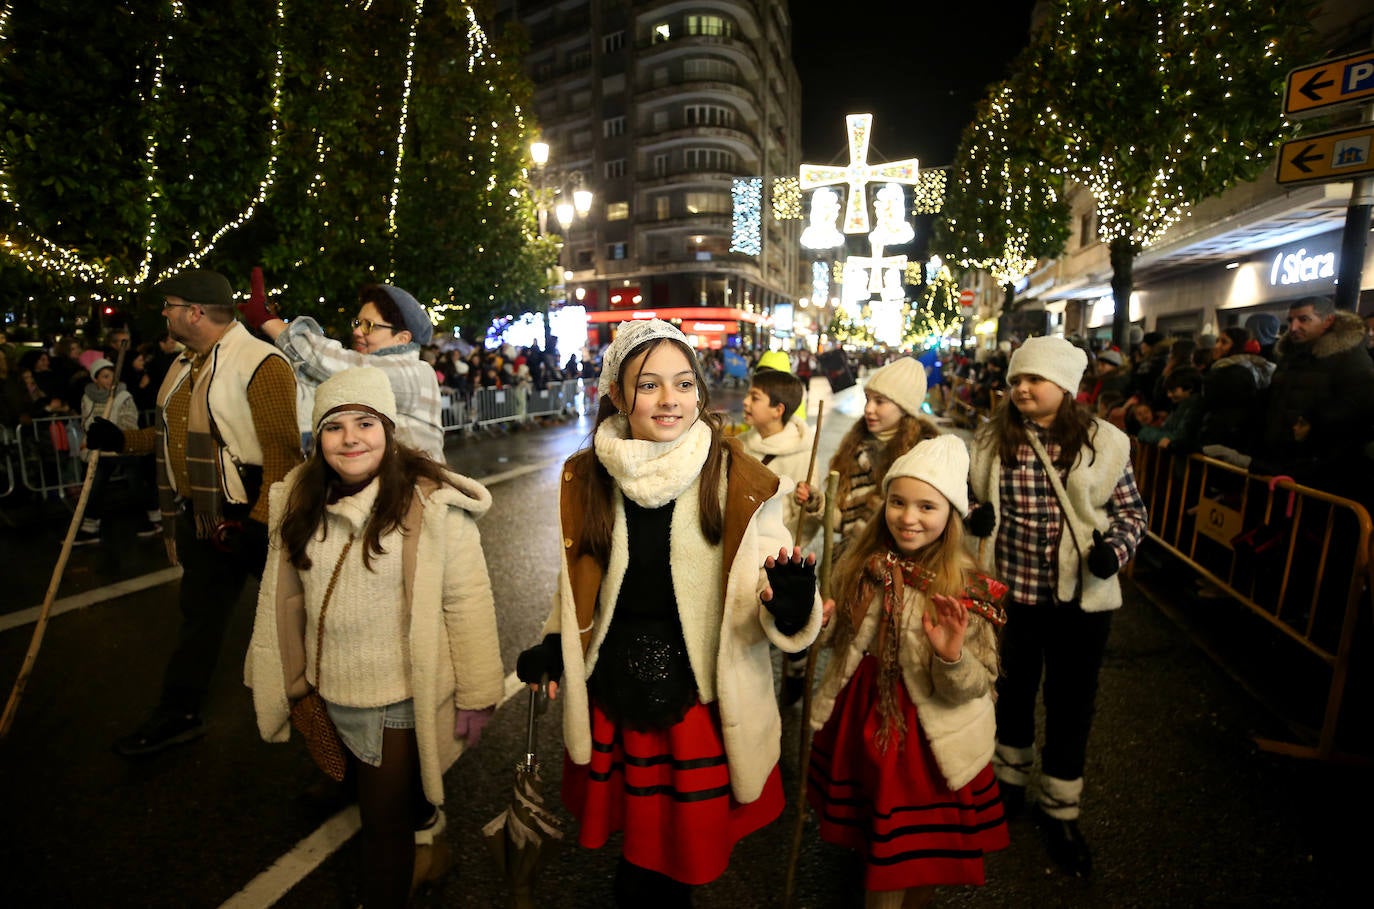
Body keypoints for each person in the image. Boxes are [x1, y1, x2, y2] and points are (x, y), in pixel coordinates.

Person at [513, 319, 823, 907]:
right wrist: (556, 642)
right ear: (617, 395)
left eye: (683, 384)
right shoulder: (589, 478)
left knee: (681, 854)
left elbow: (763, 586)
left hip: (699, 695)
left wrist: (789, 604)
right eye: (648, 385)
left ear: (700, 395)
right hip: (615, 686)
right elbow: (577, 583)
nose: (668, 399)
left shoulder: (739, 479)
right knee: (639, 848)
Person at [246, 367, 503, 907]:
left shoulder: (431, 504)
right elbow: (279, 597)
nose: (351, 438)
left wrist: (479, 693)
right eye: (334, 427)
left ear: (388, 430)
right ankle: (434, 846)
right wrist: (276, 674)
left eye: (365, 422)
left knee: (381, 825)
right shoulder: (297, 497)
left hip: (395, 696)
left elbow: (467, 599)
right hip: (326, 688)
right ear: (317, 439)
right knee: (392, 801)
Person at [85, 268, 302, 757]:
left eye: (170, 306)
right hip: (204, 515)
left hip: (253, 515)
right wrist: (122, 440)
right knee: (199, 619)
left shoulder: (260, 364)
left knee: (301, 618)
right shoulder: (187, 363)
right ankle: (179, 712)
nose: (164, 314)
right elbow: (172, 439)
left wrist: (258, 525)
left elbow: (284, 458)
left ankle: (348, 725)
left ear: (195, 313)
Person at [969, 335, 1147, 877]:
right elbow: (970, 495)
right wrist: (974, 513)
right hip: (1010, 596)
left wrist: (1111, 556)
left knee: (1072, 703)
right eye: (1016, 380)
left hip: (1081, 604)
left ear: (1065, 388)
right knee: (1013, 692)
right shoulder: (989, 438)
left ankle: (1061, 809)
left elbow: (1131, 515)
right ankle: (1010, 784)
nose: (1021, 388)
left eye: (1034, 380)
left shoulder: (1105, 442)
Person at [809, 436, 1009, 908]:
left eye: (926, 506)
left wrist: (952, 656)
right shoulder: (863, 564)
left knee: (917, 848)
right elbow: (833, 636)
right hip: (864, 708)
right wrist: (812, 621)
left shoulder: (966, 586)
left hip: (924, 732)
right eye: (897, 502)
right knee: (877, 828)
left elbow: (975, 685)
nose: (908, 517)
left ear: (951, 515)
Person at [247, 279, 445, 461]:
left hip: (414, 493)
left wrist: (267, 320)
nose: (357, 332)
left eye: (369, 326)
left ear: (402, 338)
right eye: (358, 323)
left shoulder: (416, 373)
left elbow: (331, 362)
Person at [738, 367, 823, 706]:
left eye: (754, 398)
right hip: (744, 545)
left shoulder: (804, 452)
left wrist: (811, 499)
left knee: (780, 611)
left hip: (779, 549)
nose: (745, 402)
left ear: (778, 409)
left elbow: (816, 505)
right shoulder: (742, 444)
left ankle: (795, 668)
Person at [803, 356, 940, 561]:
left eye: (880, 401)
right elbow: (843, 522)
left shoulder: (922, 456)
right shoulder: (854, 449)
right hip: (851, 566)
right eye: (868, 399)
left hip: (897, 570)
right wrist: (817, 502)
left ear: (904, 406)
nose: (868, 409)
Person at [74, 358, 160, 544]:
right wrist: (92, 435)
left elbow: (129, 421)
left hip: (123, 448)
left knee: (136, 486)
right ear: (95, 379)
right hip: (100, 452)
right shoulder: (87, 398)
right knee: (94, 488)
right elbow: (86, 420)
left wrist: (114, 435)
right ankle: (90, 528)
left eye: (112, 375)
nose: (109, 380)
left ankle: (151, 519)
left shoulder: (123, 396)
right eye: (105, 376)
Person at [1137, 367, 1204, 451]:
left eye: (1173, 390)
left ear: (1190, 388)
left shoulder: (1194, 408)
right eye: (1168, 391)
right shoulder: (1179, 407)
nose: (1169, 395)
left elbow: (1179, 437)